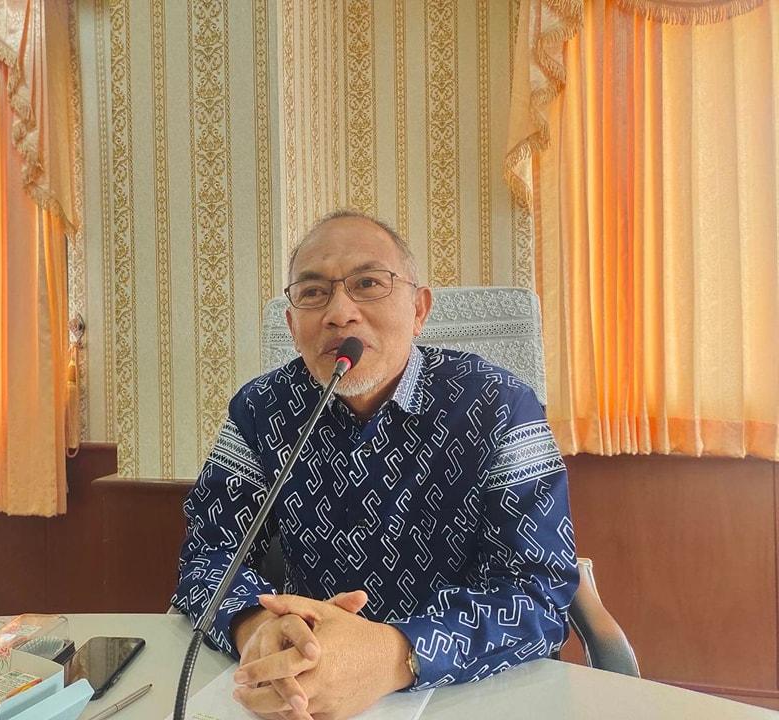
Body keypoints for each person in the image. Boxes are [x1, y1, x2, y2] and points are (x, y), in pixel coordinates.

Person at [172, 210, 579, 720]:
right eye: (314, 292)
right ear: (293, 325)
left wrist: (394, 653)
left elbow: (538, 594)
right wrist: (257, 627)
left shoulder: (501, 405)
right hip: (304, 688)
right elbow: (209, 553)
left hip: (469, 693)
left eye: (367, 284)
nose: (339, 313)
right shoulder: (260, 409)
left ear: (419, 309)